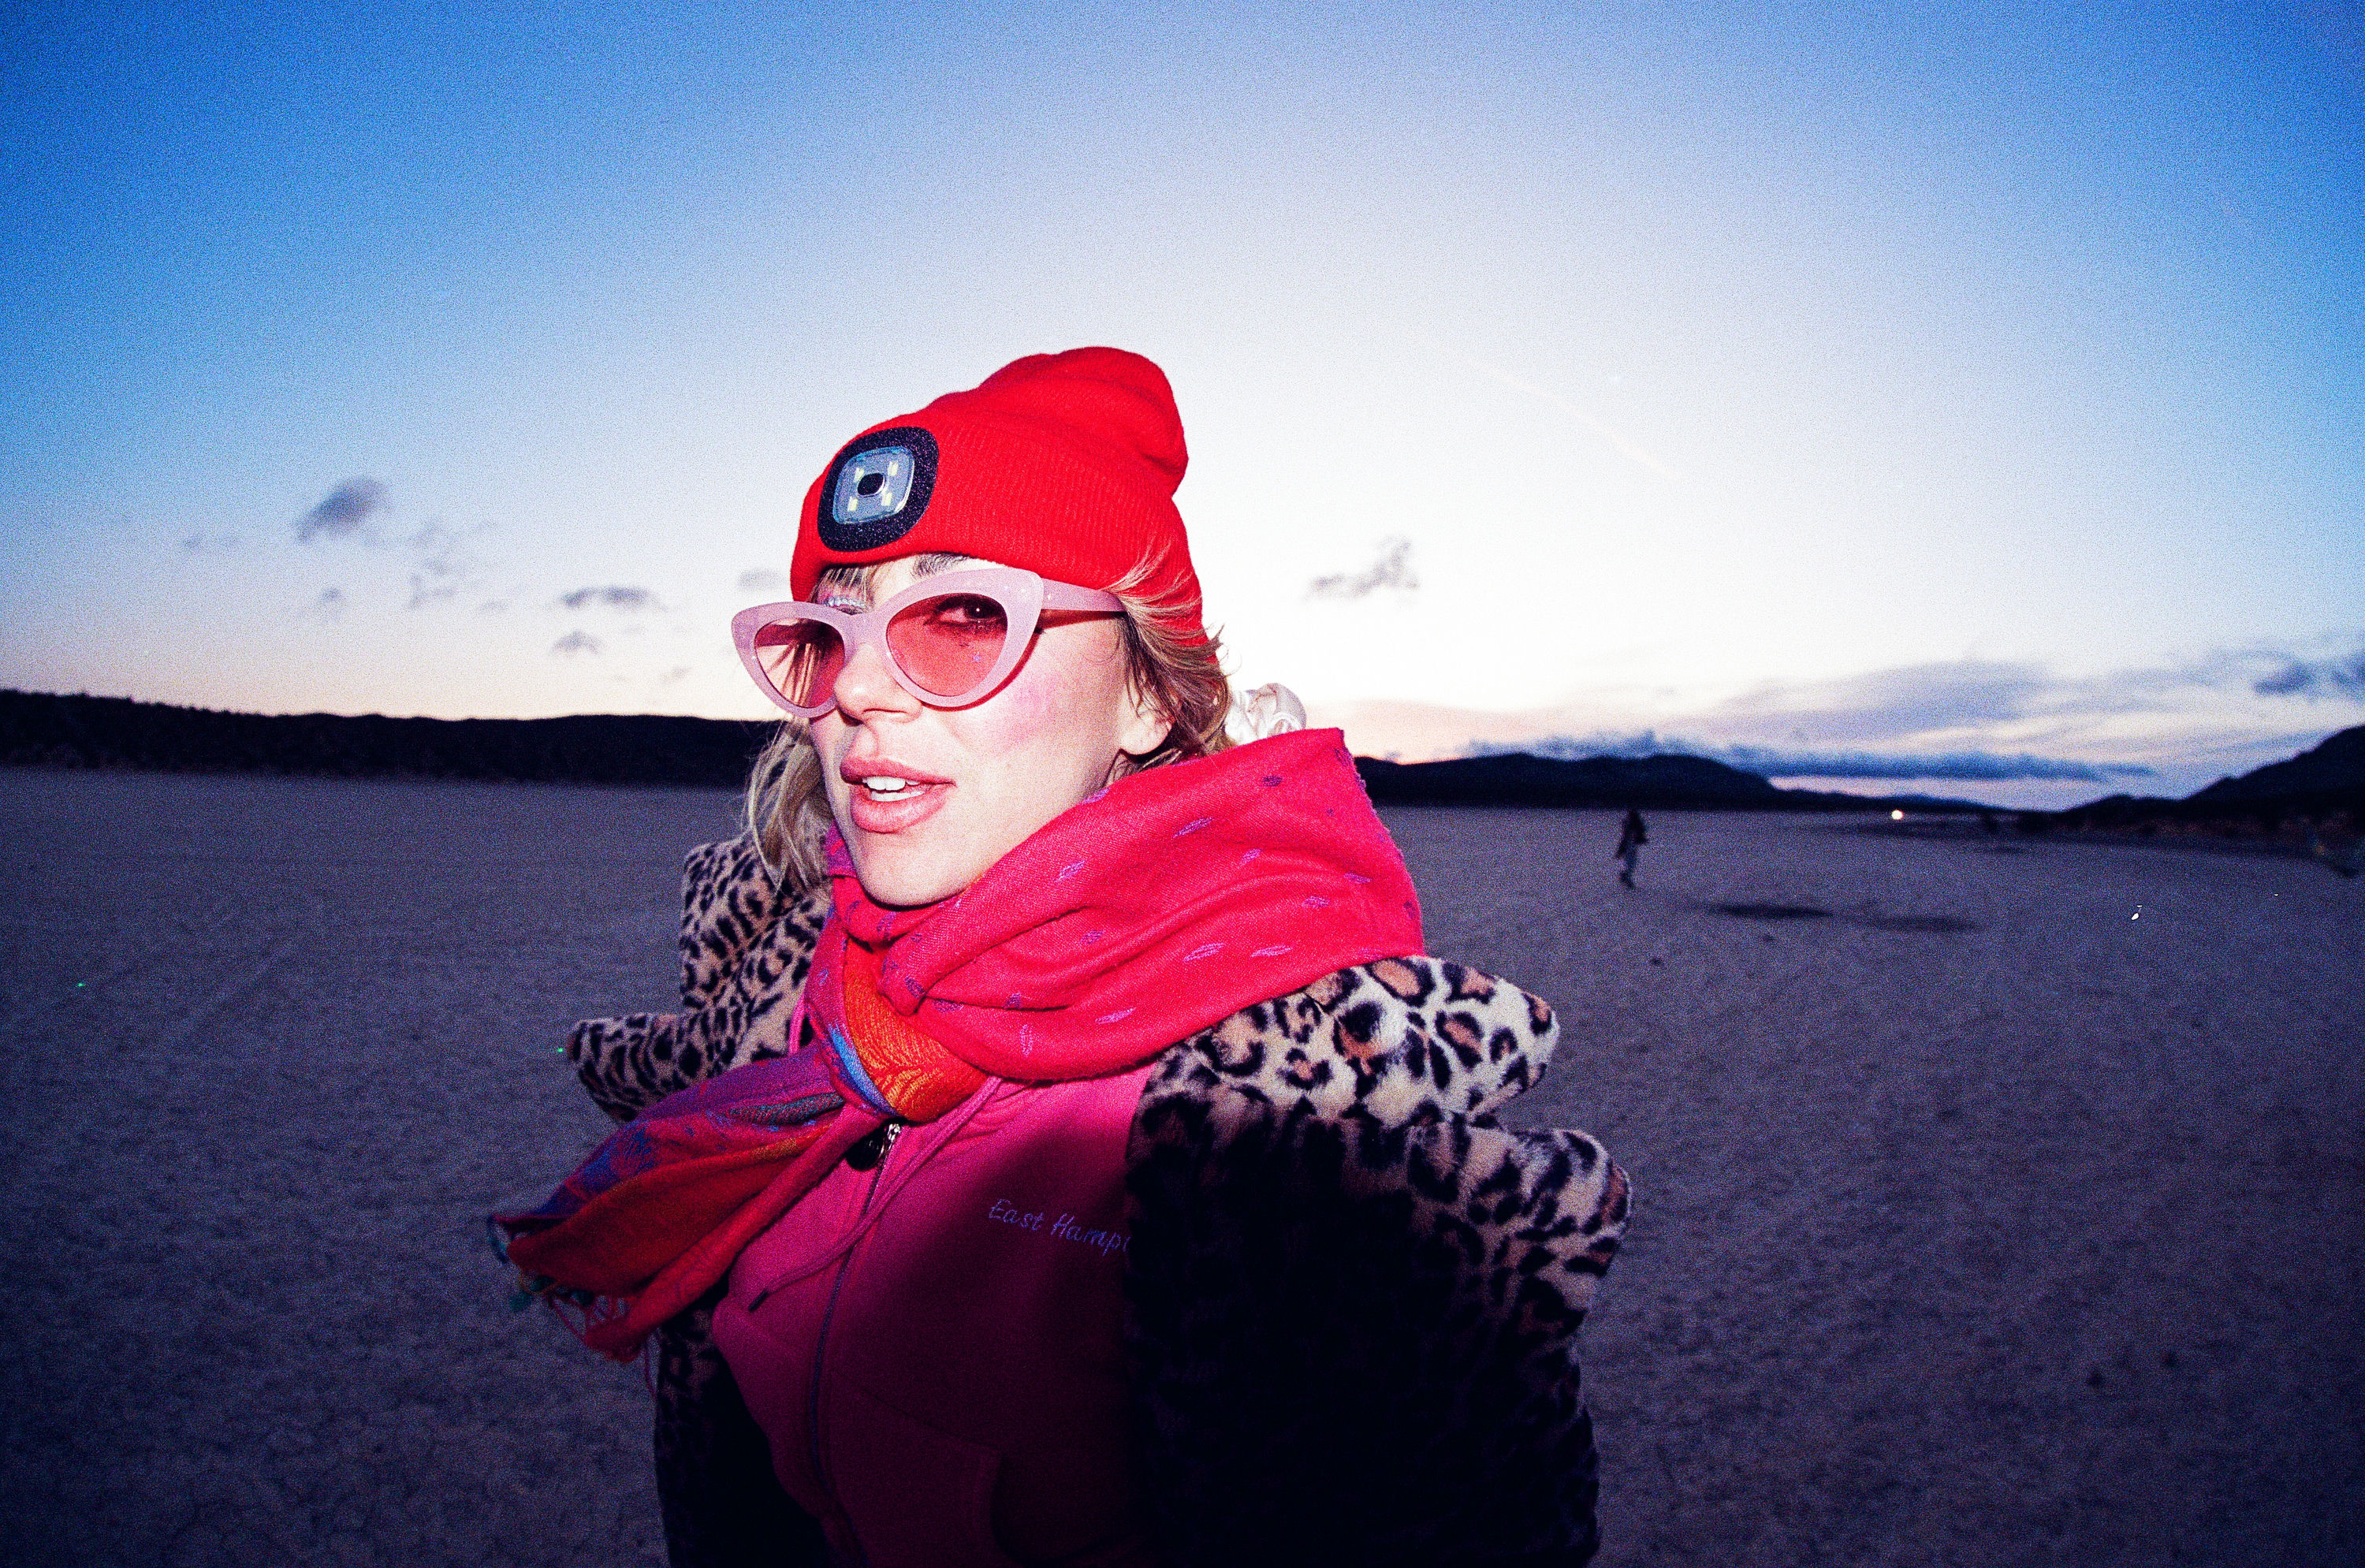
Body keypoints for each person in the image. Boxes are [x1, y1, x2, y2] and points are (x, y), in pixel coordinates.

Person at [495, 348, 1629, 1568]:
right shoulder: (784, 992)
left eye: (963, 617)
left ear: (1147, 694)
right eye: (827, 635)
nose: (856, 688)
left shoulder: (1277, 1130)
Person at [1615, 806, 1648, 888]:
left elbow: (1636, 833)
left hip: (1630, 844)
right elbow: (1638, 833)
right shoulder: (1633, 823)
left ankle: (1625, 876)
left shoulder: (1631, 823)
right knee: (1631, 862)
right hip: (1630, 844)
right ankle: (1626, 877)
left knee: (1630, 862)